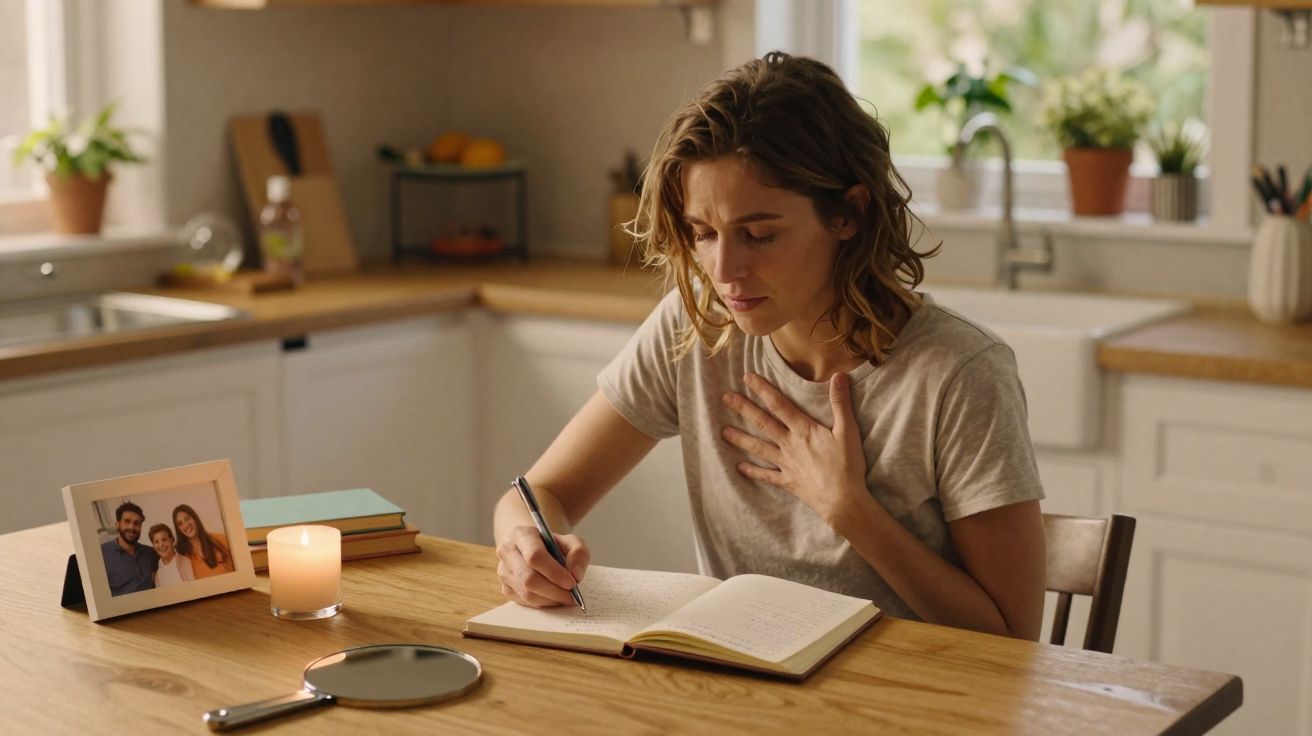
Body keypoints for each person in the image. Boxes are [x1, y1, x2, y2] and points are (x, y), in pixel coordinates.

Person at [491, 51, 1047, 640]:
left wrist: (848, 509)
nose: (724, 270)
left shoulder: (959, 373)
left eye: (759, 234)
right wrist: (527, 549)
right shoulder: (695, 327)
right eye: (704, 234)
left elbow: (1012, 639)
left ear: (848, 214)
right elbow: (536, 494)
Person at [100, 501, 158, 597]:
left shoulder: (150, 552)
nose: (132, 527)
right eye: (127, 521)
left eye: (137, 523)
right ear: (117, 524)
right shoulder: (101, 554)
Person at [173, 504, 235, 579]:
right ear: (178, 529)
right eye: (180, 524)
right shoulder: (182, 557)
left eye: (187, 519)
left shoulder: (221, 539)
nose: (186, 525)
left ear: (195, 518)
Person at [148, 524, 195, 588]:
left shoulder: (186, 562)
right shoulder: (158, 575)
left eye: (164, 539)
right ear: (153, 545)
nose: (161, 545)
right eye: (156, 542)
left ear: (172, 539)